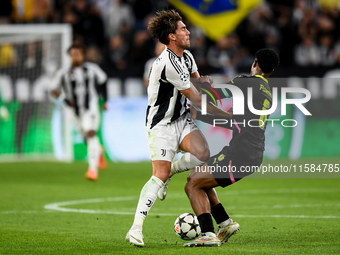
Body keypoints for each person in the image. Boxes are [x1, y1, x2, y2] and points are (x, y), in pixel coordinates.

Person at [126, 9, 231, 247]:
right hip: (161, 125)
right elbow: (196, 98)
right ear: (172, 36)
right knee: (158, 174)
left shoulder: (187, 56)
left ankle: (173, 171)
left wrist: (203, 82)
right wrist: (226, 116)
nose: (188, 31)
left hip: (182, 120)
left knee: (204, 156)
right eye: (183, 29)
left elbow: (196, 83)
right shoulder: (167, 63)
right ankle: (136, 229)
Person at [183, 48, 280, 247]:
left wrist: (203, 83)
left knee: (192, 185)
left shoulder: (246, 82)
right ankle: (225, 223)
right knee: (196, 177)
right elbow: (234, 121)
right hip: (250, 153)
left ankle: (208, 234)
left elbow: (211, 95)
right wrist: (200, 116)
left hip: (240, 153)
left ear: (255, 63)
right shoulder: (267, 92)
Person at [50, 42, 108, 181]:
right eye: (73, 54)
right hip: (73, 111)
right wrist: (65, 99)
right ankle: (98, 150)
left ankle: (92, 170)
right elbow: (53, 89)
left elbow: (103, 81)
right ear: (70, 56)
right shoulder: (63, 72)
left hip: (91, 107)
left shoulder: (92, 69)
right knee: (85, 136)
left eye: (78, 54)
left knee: (91, 132)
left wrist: (105, 101)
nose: (76, 57)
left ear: (83, 55)